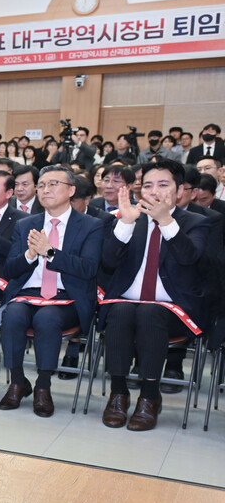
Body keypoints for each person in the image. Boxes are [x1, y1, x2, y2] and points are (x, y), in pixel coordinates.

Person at [99, 159, 209, 431]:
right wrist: (125, 223)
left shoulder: (198, 223)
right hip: (127, 302)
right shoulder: (131, 219)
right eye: (147, 185)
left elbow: (189, 257)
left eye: (163, 184)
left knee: (149, 311)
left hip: (175, 308)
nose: (154, 191)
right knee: (121, 310)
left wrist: (165, 221)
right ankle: (119, 392)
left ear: (179, 190)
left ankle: (149, 396)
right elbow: (109, 263)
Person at [0, 165, 104, 417]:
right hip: (29, 292)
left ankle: (43, 385)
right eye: (42, 185)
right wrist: (29, 254)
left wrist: (50, 252)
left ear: (71, 190)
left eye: (53, 184)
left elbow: (88, 269)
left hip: (67, 297)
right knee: (12, 315)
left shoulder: (91, 226)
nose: (46, 190)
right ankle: (17, 381)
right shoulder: (26, 225)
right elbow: (10, 269)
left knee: (48, 317)